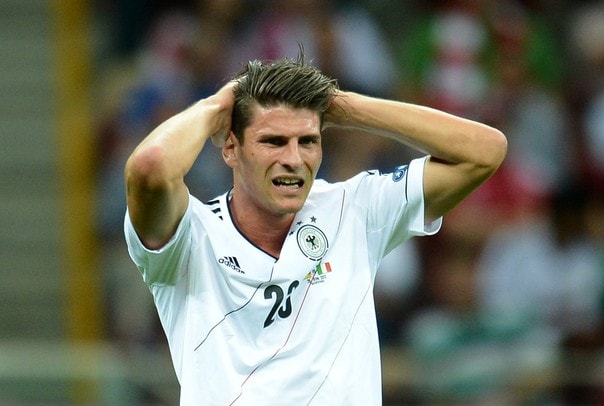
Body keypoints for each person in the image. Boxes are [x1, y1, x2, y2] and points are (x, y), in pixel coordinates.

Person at [123, 49, 507, 405]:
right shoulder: (190, 236)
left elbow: (484, 152)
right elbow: (151, 165)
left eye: (307, 141)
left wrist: (345, 107)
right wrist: (220, 104)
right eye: (273, 141)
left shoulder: (355, 209)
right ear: (230, 148)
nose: (294, 159)